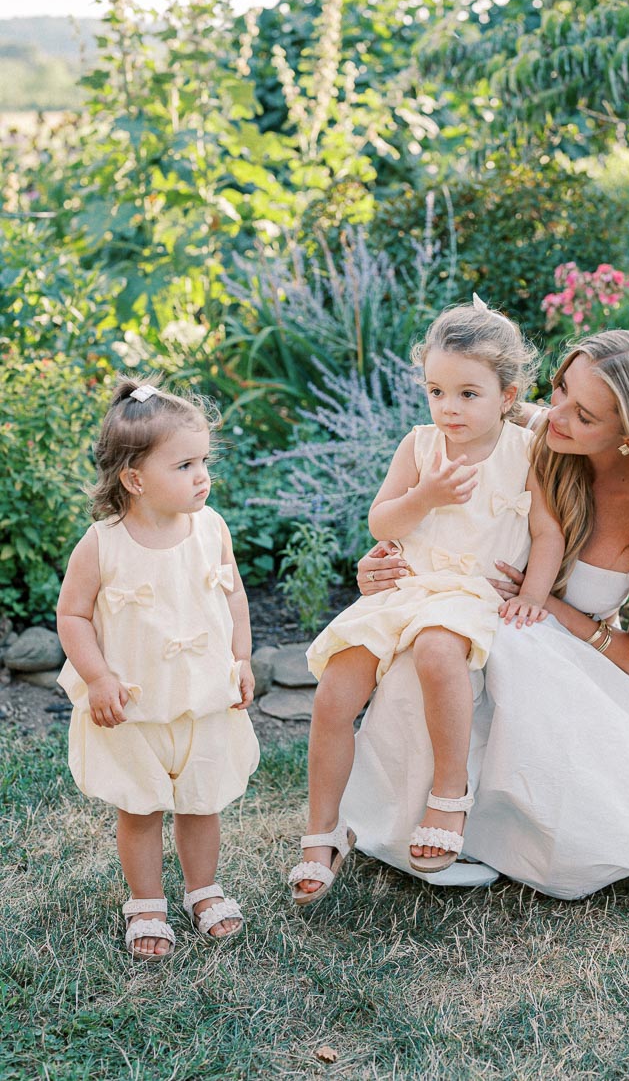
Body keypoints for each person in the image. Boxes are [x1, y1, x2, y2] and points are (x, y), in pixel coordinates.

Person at [344, 329, 629, 898]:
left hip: (570, 675)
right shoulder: (523, 433)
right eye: (560, 389)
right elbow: (429, 520)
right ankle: (435, 814)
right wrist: (380, 569)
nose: (555, 415)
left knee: (491, 643)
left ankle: (494, 823)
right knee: (440, 642)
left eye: (584, 415)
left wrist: (549, 608)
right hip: (467, 630)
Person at [289, 300, 565, 905]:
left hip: (469, 591)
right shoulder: (419, 447)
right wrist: (426, 495)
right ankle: (322, 831)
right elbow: (381, 518)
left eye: (469, 394)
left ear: (507, 394)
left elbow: (548, 534)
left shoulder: (527, 451)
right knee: (338, 684)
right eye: (437, 391)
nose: (449, 408)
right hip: (407, 586)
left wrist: (534, 596)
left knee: (439, 652)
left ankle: (449, 795)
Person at [56, 379, 259, 960]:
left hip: (202, 697)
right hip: (135, 705)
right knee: (140, 806)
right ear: (135, 479)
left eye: (204, 461)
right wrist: (98, 677)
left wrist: (240, 659)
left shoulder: (211, 529)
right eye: (185, 465)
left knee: (202, 801)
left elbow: (235, 598)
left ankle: (203, 888)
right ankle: (146, 900)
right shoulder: (103, 544)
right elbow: (72, 615)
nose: (203, 476)